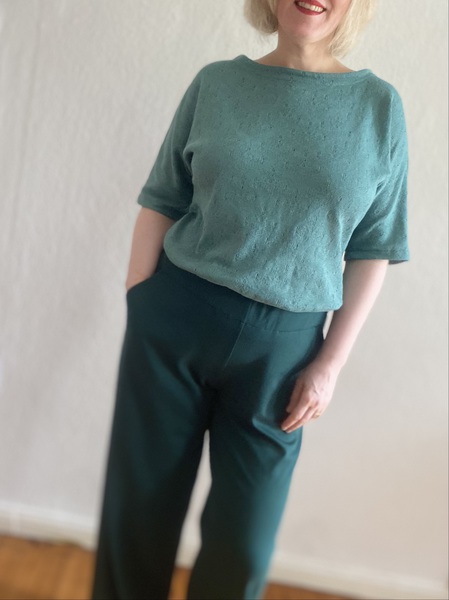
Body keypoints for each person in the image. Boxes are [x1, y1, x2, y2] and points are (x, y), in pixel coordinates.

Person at [90, 0, 409, 598]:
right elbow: (163, 197)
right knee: (137, 518)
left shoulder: (379, 109)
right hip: (175, 320)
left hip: (284, 353)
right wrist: (141, 298)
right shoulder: (217, 83)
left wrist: (329, 365)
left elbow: (374, 249)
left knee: (243, 549)